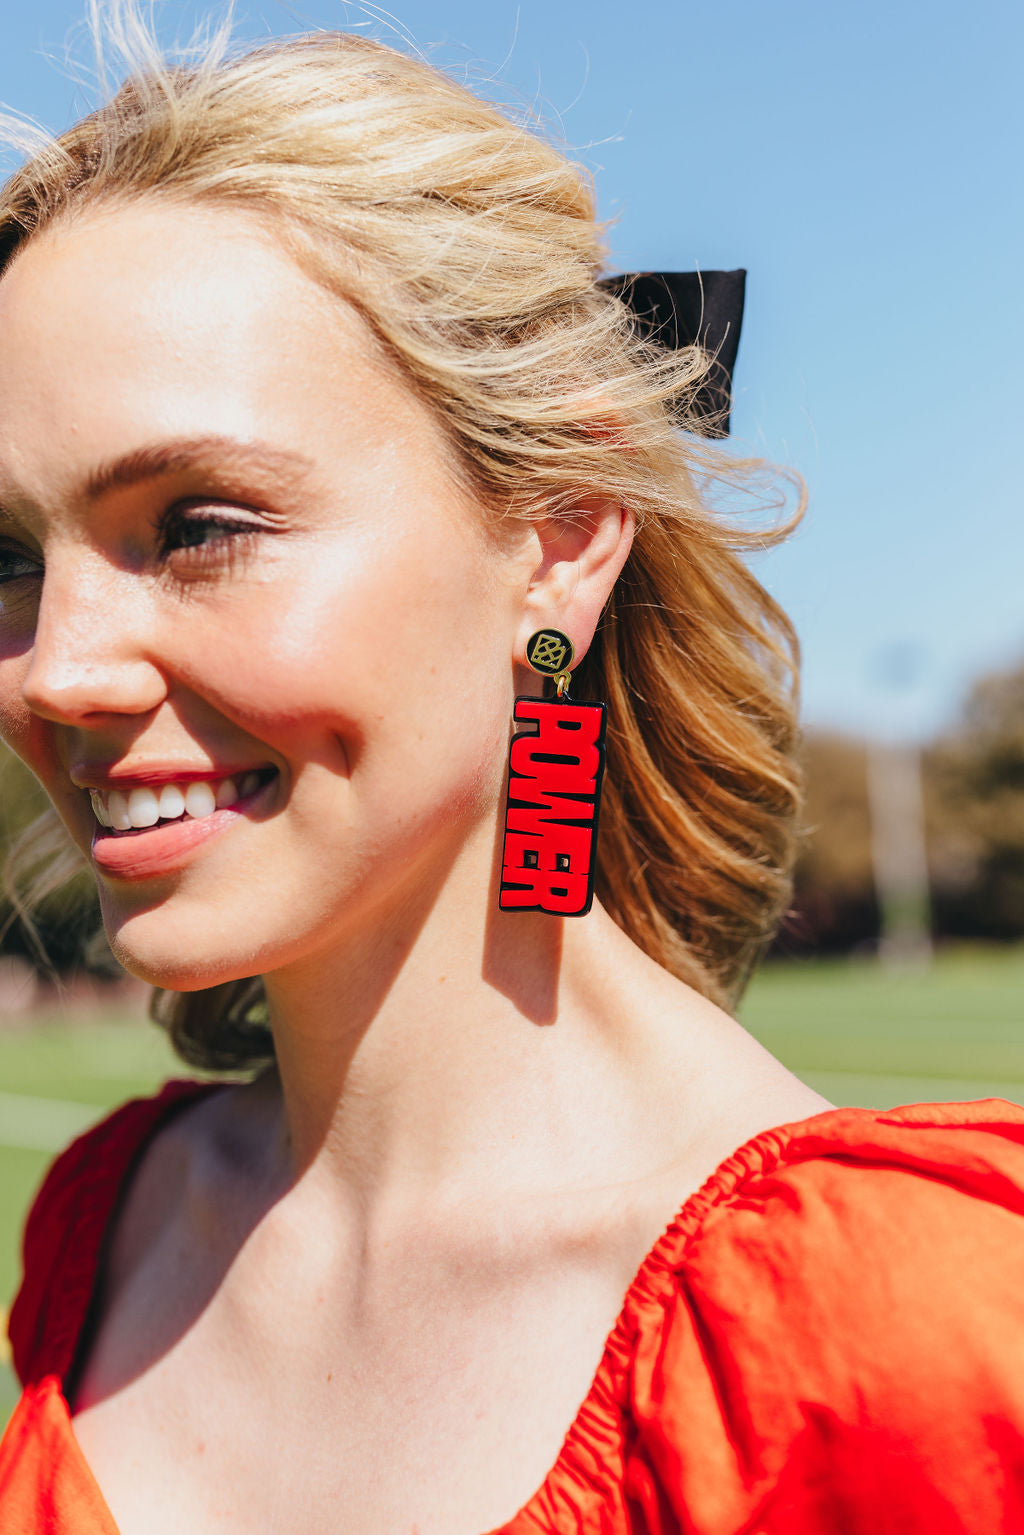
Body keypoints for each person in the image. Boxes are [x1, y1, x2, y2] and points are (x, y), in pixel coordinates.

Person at [1, 10, 1023, 1534]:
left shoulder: (912, 1330)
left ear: (557, 541)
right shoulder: (104, 1221)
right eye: (9, 558)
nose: (56, 669)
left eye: (201, 525)